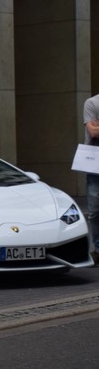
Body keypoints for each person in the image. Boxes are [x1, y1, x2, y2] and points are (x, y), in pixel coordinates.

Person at [83, 94, 99, 264]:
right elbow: (93, 132)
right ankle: (98, 248)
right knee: (94, 211)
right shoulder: (92, 103)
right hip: (95, 164)